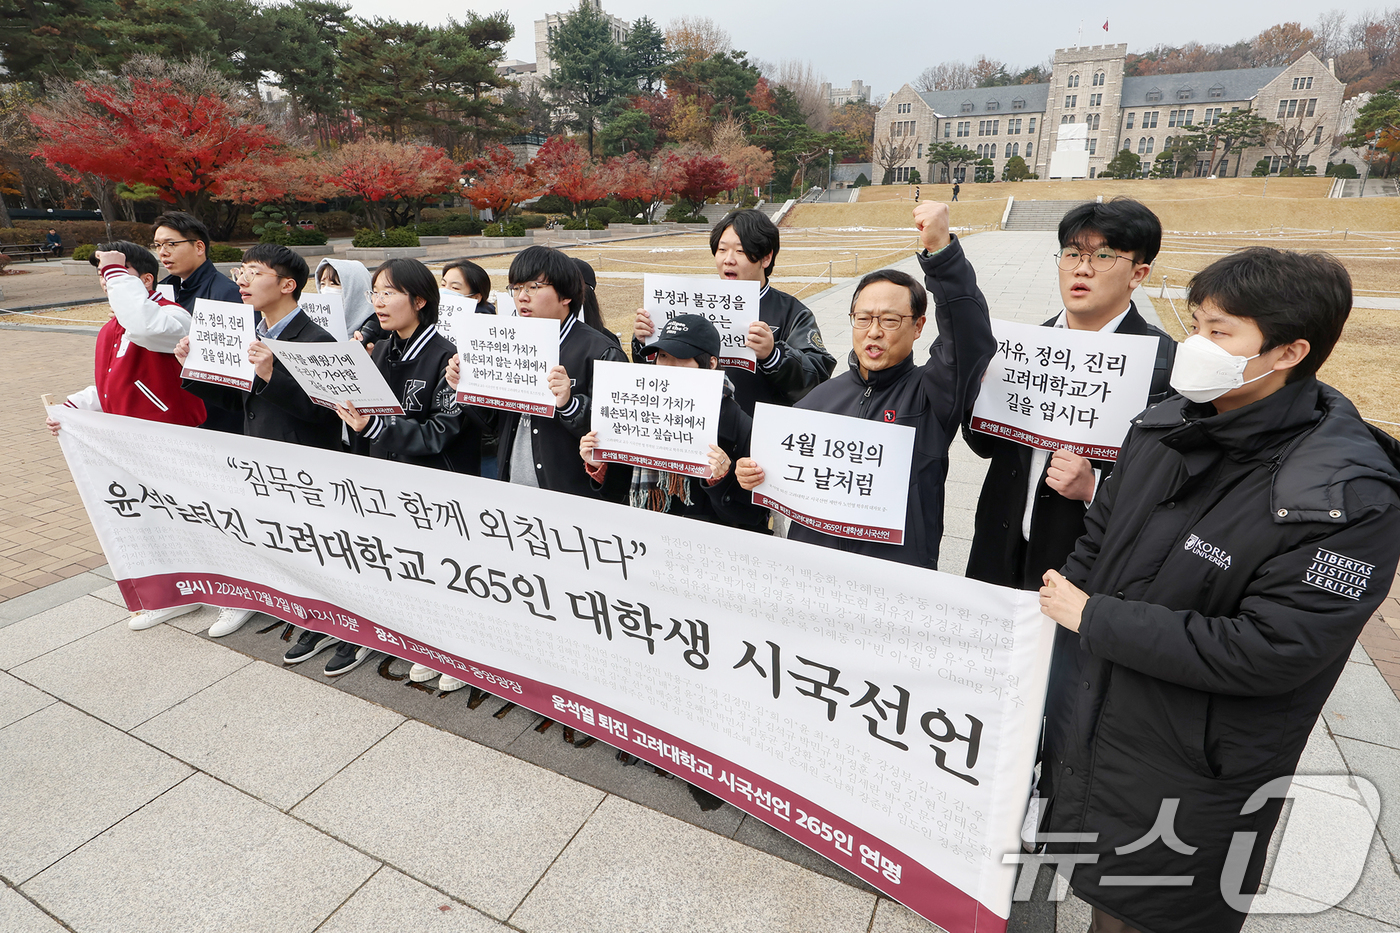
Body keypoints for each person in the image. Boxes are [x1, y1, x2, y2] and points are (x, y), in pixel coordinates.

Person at [1036, 247, 1400, 933]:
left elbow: (1275, 649)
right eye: (1197, 323)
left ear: (1290, 350)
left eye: (1221, 332)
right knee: (1106, 897)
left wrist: (1095, 618)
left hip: (1194, 766)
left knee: (1153, 911)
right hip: (1104, 726)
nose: (1196, 346)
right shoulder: (1164, 424)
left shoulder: (1344, 497)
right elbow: (1100, 538)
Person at [735, 202, 996, 570]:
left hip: (895, 578)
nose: (874, 331)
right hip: (812, 574)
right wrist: (754, 473)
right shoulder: (819, 399)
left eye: (890, 320)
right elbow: (778, 474)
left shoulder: (932, 394)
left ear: (918, 327)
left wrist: (942, 253)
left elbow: (970, 342)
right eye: (863, 318)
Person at [964, 198, 1176, 591]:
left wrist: (1094, 487)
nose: (1082, 267)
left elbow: (1171, 490)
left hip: (1081, 568)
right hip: (999, 552)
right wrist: (976, 393)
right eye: (1073, 253)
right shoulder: (1027, 346)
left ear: (1138, 273)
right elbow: (985, 445)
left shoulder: (1164, 364)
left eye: (1104, 256)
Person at [326, 258, 490, 682]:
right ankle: (410, 636)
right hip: (387, 480)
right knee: (402, 565)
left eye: (389, 292)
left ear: (419, 300)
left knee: (444, 570)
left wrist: (376, 426)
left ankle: (454, 653)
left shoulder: (448, 356)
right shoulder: (380, 349)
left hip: (436, 486)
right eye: (375, 292)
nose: (378, 301)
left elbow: (442, 431)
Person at [175, 244, 342, 638]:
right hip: (261, 459)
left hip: (304, 469)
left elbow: (325, 414)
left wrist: (272, 376)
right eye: (241, 272)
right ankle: (291, 603)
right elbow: (239, 400)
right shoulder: (252, 333)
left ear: (287, 285)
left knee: (311, 545)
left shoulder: (317, 341)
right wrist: (194, 368)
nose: (243, 280)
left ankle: (326, 621)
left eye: (255, 272)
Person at [45, 240, 207, 631]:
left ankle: (227, 596)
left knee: (194, 521)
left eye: (115, 275)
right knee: (153, 523)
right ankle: (174, 595)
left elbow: (144, 325)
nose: (107, 282)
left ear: (144, 280)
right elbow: (115, 385)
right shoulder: (111, 329)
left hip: (175, 440)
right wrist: (75, 408)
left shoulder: (173, 318)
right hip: (134, 446)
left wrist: (117, 272)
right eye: (103, 276)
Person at [448, 245, 627, 499]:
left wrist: (570, 404)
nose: (521, 296)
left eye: (533, 287)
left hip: (572, 499)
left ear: (566, 296)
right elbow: (492, 423)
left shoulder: (600, 351)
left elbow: (618, 433)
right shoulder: (509, 342)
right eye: (516, 287)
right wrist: (465, 387)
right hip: (514, 491)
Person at [632, 209, 835, 416]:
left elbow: (817, 382)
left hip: (757, 434)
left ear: (766, 258)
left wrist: (774, 355)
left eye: (740, 251)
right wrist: (644, 341)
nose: (728, 260)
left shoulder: (793, 313)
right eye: (722, 250)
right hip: (695, 426)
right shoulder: (691, 304)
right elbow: (657, 375)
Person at [578, 314, 768, 534]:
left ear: (711, 363)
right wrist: (600, 464)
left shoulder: (738, 424)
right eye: (663, 356)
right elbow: (618, 493)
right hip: (646, 539)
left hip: (706, 547)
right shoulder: (640, 411)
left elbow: (753, 516)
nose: (667, 366)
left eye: (680, 357)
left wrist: (722, 480)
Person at [151, 211, 246, 433]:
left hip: (215, 417)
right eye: (157, 245)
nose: (163, 252)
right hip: (174, 407)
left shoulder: (227, 293)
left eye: (171, 244)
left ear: (199, 247)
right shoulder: (164, 291)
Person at [313, 258, 374, 339]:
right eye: (323, 284)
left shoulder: (376, 327)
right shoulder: (318, 325)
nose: (326, 289)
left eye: (334, 284)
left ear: (355, 288)